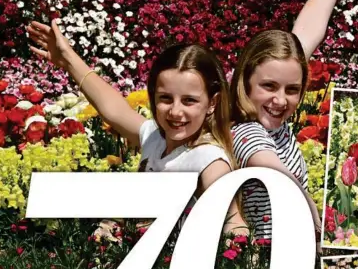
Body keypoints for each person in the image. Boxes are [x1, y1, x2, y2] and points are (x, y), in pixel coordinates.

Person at [27, 23, 247, 233]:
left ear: (212, 103)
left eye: (189, 101)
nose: (175, 111)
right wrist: (67, 58)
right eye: (165, 98)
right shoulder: (156, 138)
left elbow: (233, 222)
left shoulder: (209, 160)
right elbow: (113, 109)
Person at [231, 0, 352, 240]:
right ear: (246, 80)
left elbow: (312, 25)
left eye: (292, 89)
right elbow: (272, 169)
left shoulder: (269, 117)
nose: (280, 99)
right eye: (268, 86)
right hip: (264, 263)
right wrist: (314, 218)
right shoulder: (243, 129)